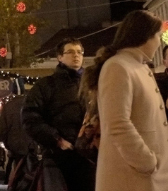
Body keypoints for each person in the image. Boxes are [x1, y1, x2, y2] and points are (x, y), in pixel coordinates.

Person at [81, 10, 168, 191]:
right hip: (131, 175)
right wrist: (147, 162)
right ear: (145, 36)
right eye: (158, 36)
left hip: (148, 175)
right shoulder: (118, 67)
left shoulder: (139, 66)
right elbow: (118, 123)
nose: (160, 42)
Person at [22, 37, 94, 191]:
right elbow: (30, 118)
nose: (76, 56)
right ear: (60, 57)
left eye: (79, 52)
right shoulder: (46, 85)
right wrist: (57, 139)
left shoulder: (91, 84)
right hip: (60, 158)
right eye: (70, 52)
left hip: (90, 157)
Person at [0, 82, 32, 183]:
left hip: (13, 143)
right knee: (29, 168)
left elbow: (3, 128)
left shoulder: (8, 106)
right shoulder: (30, 104)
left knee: (16, 166)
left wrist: (6, 142)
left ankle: (15, 183)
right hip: (29, 142)